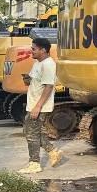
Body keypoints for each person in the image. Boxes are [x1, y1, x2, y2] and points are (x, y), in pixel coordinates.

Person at [18, 36, 64, 173]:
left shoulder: (48, 65)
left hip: (39, 106)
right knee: (34, 132)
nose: (31, 51)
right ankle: (53, 151)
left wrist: (37, 107)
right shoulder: (38, 63)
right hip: (33, 104)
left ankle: (34, 164)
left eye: (34, 49)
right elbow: (34, 81)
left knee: (31, 134)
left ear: (43, 50)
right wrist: (27, 79)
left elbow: (49, 87)